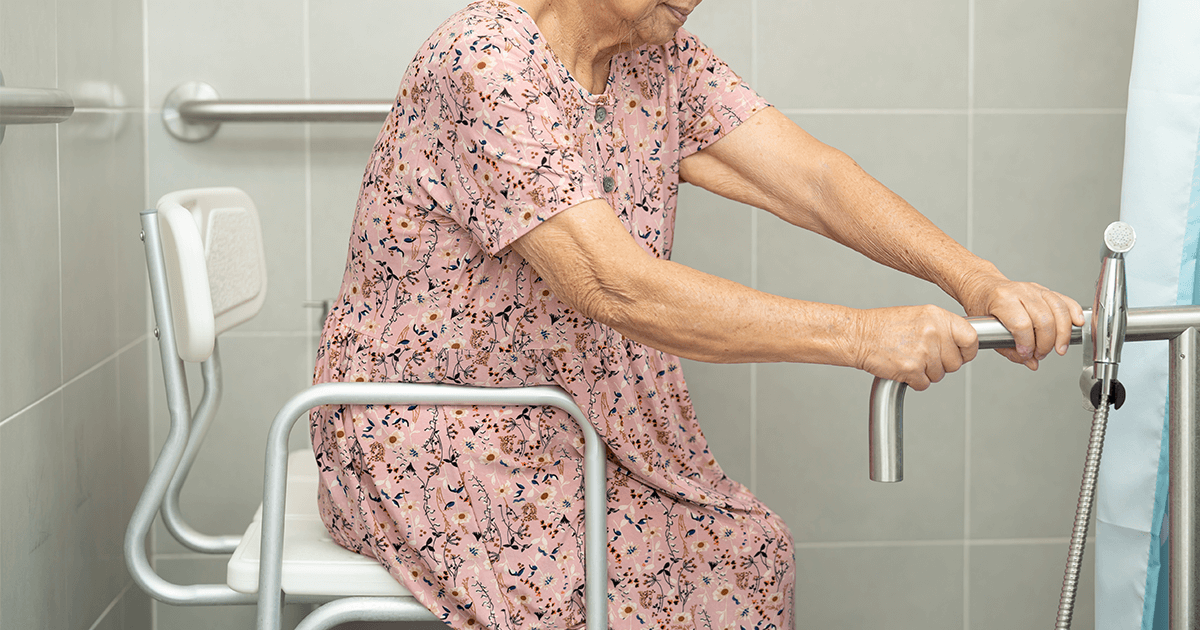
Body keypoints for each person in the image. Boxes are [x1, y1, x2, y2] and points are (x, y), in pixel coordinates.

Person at [309, 0, 1084, 628]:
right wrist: (861, 335)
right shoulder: (483, 63)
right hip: (436, 426)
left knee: (745, 553)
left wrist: (976, 280)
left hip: (572, 419)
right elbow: (615, 287)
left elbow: (813, 178)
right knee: (604, 600)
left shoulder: (658, 57)